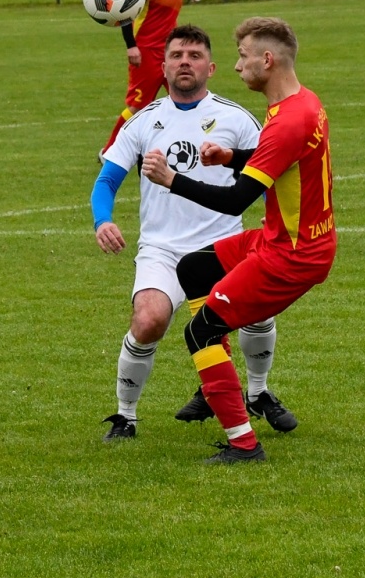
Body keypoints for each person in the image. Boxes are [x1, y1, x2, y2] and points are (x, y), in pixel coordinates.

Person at [139, 16, 334, 464]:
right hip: (284, 239)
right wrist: (231, 156)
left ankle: (244, 444)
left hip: (292, 255)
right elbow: (278, 157)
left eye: (243, 57)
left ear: (267, 60)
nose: (237, 66)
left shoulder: (287, 120)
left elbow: (234, 202)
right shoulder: (301, 103)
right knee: (194, 268)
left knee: (200, 331)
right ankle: (217, 380)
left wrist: (172, 180)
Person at [92, 25, 295, 440]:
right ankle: (125, 416)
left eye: (195, 55)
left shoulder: (236, 118)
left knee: (259, 312)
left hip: (222, 244)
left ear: (211, 67)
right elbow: (107, 180)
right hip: (162, 249)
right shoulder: (143, 121)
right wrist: (103, 220)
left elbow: (268, 172)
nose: (185, 62)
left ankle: (258, 392)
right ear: (164, 67)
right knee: (148, 320)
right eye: (177, 55)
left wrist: (272, 218)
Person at [100, 0, 187, 153]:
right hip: (146, 52)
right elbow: (125, 9)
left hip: (170, 53)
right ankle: (110, 151)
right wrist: (131, 45)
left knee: (185, 98)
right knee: (138, 106)